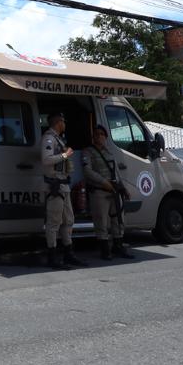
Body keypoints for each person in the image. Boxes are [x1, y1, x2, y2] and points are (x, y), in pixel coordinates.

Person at [83, 125, 135, 261]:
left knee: (118, 220)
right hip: (99, 191)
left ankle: (118, 247)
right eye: (96, 134)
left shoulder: (110, 152)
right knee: (101, 221)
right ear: (93, 137)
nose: (99, 136)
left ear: (105, 137)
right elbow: (87, 171)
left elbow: (116, 172)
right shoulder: (88, 152)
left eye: (102, 134)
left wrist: (123, 188)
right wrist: (103, 182)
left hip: (114, 191)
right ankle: (105, 250)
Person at [40, 113, 82, 269]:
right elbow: (46, 159)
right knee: (53, 222)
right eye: (63, 121)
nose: (65, 124)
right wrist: (65, 155)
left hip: (63, 185)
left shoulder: (58, 139)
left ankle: (68, 253)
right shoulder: (48, 138)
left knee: (68, 220)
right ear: (58, 122)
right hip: (55, 186)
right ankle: (52, 257)